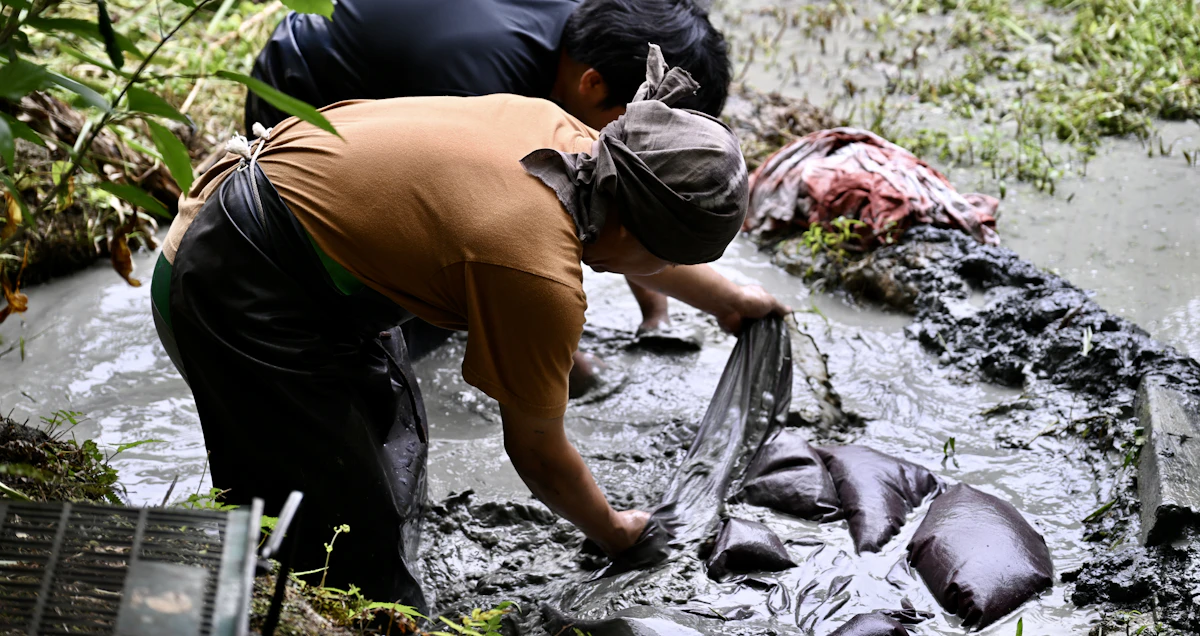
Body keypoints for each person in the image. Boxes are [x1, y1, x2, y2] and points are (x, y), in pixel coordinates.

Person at [152, 48, 787, 609]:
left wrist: (727, 299)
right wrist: (618, 531)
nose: (664, 271)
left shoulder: (568, 138)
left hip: (287, 243)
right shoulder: (537, 274)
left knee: (374, 455)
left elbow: (633, 243)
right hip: (232, 282)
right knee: (346, 564)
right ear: (634, 234)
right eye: (668, 257)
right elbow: (538, 454)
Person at [246, 0, 734, 361]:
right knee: (439, 287)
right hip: (300, 97)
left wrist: (682, 309)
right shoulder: (483, 79)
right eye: (632, 130)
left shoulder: (584, 37)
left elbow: (624, 196)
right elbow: (502, 236)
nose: (634, 149)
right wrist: (563, 369)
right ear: (592, 84)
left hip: (382, 89)